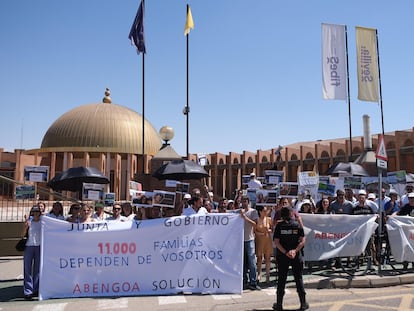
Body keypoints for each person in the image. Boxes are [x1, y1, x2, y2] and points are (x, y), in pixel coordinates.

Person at [273, 206, 308, 311]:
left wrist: (285, 252)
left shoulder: (279, 226)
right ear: (291, 214)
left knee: (281, 279)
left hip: (283, 256)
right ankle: (303, 304)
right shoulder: (297, 225)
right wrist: (295, 251)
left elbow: (276, 242)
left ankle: (279, 305)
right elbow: (303, 240)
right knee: (299, 279)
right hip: (296, 255)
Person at [240, 195, 261, 290]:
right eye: (242, 201)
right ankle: (244, 281)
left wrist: (245, 218)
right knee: (243, 262)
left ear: (248, 202)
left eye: (245, 201)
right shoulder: (239, 211)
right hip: (240, 240)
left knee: (252, 262)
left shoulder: (253, 211)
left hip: (249, 239)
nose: (243, 203)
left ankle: (253, 281)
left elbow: (256, 225)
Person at [22, 205, 42, 300]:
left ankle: (36, 289)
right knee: (27, 268)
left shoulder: (43, 222)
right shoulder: (29, 222)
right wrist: (26, 227)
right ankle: (28, 291)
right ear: (32, 212)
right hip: (29, 246)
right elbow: (22, 235)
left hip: (39, 246)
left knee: (37, 269)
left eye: (38, 211)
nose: (36, 213)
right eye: (34, 211)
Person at [255, 205, 273, 284]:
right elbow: (254, 230)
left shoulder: (269, 219)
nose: (265, 212)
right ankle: (259, 274)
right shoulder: (257, 220)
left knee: (268, 258)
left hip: (267, 240)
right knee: (259, 258)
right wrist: (261, 233)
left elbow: (272, 229)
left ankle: (268, 275)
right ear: (260, 212)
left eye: (266, 211)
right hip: (259, 239)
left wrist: (269, 230)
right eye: (264, 211)